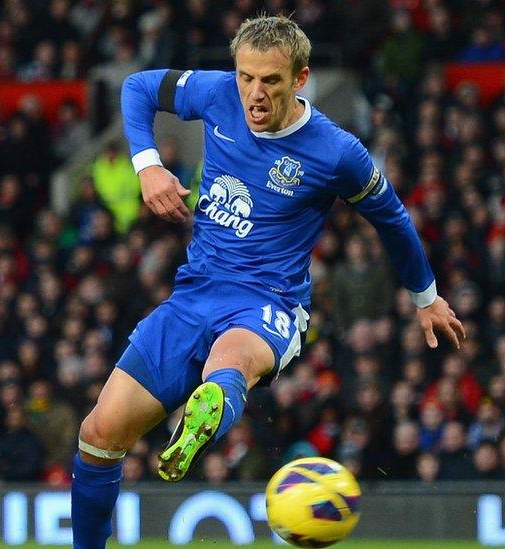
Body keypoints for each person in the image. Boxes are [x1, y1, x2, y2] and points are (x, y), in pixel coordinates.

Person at [71, 15, 466, 548]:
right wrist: (146, 164)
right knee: (98, 435)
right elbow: (138, 87)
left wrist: (427, 298)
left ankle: (211, 402)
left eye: (271, 81)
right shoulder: (218, 94)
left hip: (267, 302)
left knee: (228, 363)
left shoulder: (336, 151)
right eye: (245, 77)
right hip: (195, 293)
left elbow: (392, 217)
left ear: (300, 78)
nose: (254, 94)